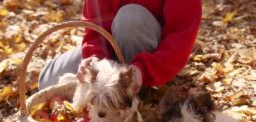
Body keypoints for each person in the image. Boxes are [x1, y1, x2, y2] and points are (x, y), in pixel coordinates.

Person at [38, 0, 202, 94]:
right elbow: (95, 25)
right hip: (111, 44)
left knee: (130, 17)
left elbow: (180, 36)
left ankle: (131, 90)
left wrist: (143, 69)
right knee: (48, 84)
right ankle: (112, 81)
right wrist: (94, 57)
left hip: (152, 49)